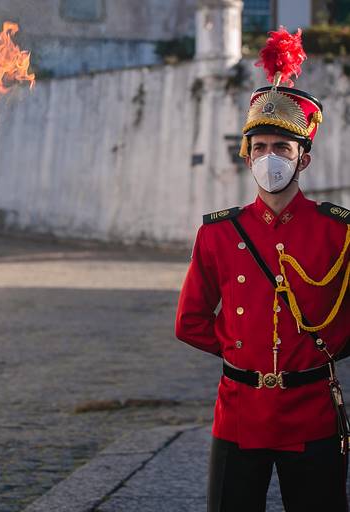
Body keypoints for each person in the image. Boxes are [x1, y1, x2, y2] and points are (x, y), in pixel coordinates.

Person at [176, 29, 350, 511]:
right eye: (260, 147)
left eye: (282, 148)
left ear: (303, 159)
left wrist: (316, 355)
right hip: (239, 411)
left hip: (312, 411)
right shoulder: (217, 233)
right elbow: (189, 322)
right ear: (247, 155)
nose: (269, 157)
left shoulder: (339, 231)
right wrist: (242, 350)